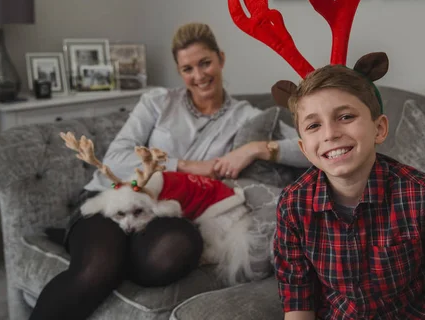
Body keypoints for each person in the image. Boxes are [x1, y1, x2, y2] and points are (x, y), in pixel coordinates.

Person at [29, 22, 310, 320]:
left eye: (205, 63)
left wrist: (257, 148)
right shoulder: (158, 102)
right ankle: (98, 246)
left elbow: (309, 147)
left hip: (165, 212)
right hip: (113, 198)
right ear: (179, 72)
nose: (199, 76)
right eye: (188, 69)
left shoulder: (246, 116)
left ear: (221, 59)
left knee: (180, 247)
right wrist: (185, 165)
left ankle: (110, 249)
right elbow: (115, 157)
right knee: (99, 267)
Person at [273, 64, 425, 319]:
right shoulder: (293, 205)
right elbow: (298, 296)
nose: (330, 134)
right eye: (314, 125)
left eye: (345, 117)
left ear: (379, 129)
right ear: (304, 149)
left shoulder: (422, 196)